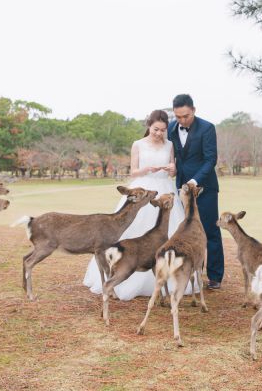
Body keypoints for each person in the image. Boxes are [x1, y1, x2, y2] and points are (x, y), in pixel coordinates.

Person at [83, 109, 195, 299]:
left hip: (164, 190)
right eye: (156, 129)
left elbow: (173, 171)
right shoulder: (138, 144)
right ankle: (122, 275)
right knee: (131, 230)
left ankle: (166, 280)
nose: (159, 133)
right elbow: (133, 172)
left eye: (163, 130)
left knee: (169, 233)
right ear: (149, 126)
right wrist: (147, 169)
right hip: (143, 189)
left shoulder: (169, 145)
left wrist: (172, 169)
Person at [168, 94, 224, 289]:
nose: (182, 120)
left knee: (209, 230)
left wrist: (194, 181)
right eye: (178, 117)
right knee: (185, 231)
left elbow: (210, 159)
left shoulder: (207, 128)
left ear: (193, 110)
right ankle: (191, 273)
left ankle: (215, 276)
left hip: (205, 188)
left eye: (186, 116)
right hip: (180, 189)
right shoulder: (171, 128)